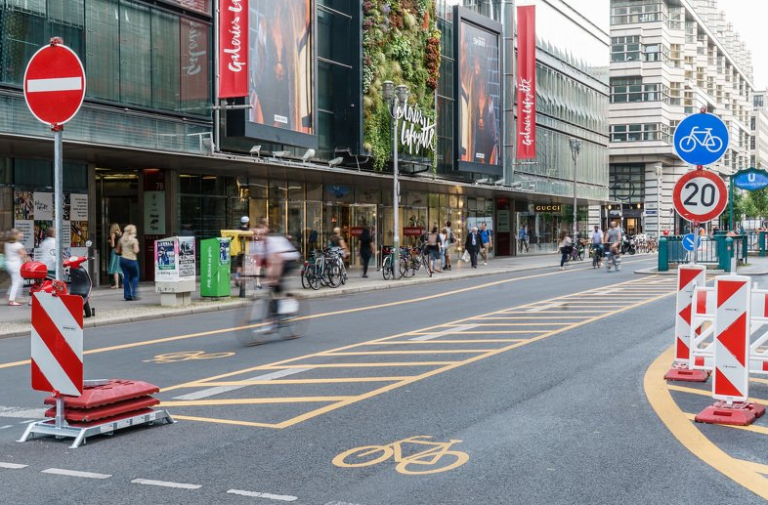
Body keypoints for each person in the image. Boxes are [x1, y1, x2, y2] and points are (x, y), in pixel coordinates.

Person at [5, 229, 27, 306]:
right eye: (20, 233)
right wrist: (24, 255)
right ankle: (12, 300)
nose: (21, 235)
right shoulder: (18, 245)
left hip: (8, 264)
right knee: (16, 282)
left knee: (16, 280)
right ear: (16, 235)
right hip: (16, 265)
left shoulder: (7, 244)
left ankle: (9, 295)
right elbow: (23, 255)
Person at [118, 224, 140, 301]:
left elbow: (118, 250)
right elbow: (136, 250)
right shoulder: (134, 240)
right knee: (135, 276)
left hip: (122, 260)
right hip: (131, 260)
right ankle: (134, 294)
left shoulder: (122, 239)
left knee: (126, 277)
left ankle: (127, 295)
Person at [108, 223, 122, 289]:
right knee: (121, 268)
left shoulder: (113, 234)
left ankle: (116, 285)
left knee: (115, 268)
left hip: (115, 251)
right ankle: (123, 284)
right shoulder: (120, 234)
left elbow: (113, 245)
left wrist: (111, 241)